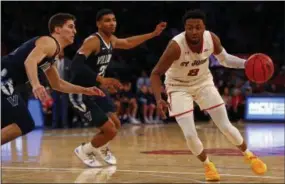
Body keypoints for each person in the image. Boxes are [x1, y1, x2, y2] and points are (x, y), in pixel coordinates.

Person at [150, 9, 267, 181]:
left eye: (198, 27)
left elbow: (225, 59)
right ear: (185, 28)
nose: (194, 31)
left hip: (203, 83)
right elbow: (155, 73)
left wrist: (247, 64)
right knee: (190, 134)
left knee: (226, 126)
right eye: (190, 28)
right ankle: (207, 165)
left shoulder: (211, 38)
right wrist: (159, 99)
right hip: (177, 87)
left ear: (204, 27)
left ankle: (249, 155)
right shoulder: (176, 46)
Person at [69, 8, 166, 167]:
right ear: (98, 24)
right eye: (107, 20)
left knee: (117, 124)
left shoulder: (111, 40)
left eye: (113, 20)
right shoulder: (93, 41)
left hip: (97, 90)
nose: (112, 23)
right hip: (81, 92)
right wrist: (101, 78)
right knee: (110, 130)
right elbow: (75, 66)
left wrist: (152, 34)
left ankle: (101, 147)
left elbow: (128, 43)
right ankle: (85, 150)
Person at [1, 13, 104, 145]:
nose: (75, 31)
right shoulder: (49, 42)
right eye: (71, 27)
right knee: (24, 123)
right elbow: (30, 61)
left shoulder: (52, 56)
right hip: (3, 78)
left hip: (6, 81)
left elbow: (57, 84)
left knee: (9, 122)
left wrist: (85, 90)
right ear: (57, 29)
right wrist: (36, 85)